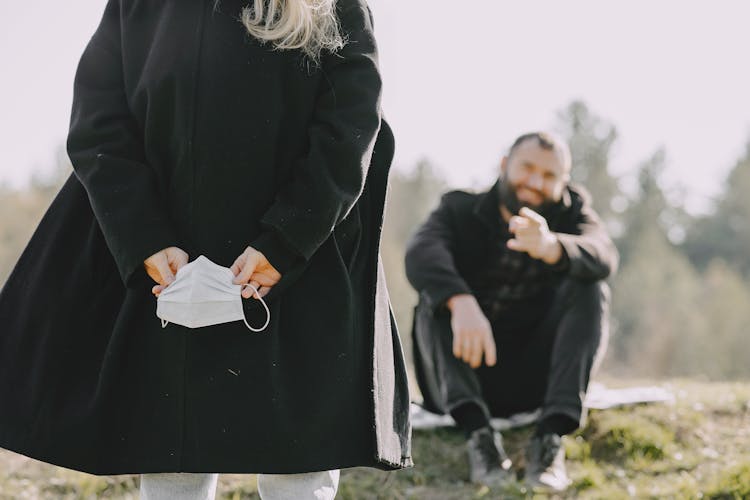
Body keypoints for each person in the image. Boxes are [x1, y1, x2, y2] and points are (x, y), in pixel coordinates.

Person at [0, 0, 412, 498]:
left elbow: (351, 127)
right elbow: (98, 122)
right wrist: (144, 238)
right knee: (174, 452)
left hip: (302, 258)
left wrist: (286, 241)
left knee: (299, 466)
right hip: (171, 260)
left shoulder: (332, 4)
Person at [405, 132, 618, 492]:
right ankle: (480, 439)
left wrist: (553, 247)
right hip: (459, 375)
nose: (535, 182)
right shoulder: (459, 209)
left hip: (534, 379)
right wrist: (460, 300)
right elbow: (420, 253)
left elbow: (604, 255)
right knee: (434, 297)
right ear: (505, 165)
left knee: (591, 284)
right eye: (528, 168)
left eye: (550, 176)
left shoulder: (573, 213)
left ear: (564, 183)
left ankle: (550, 440)